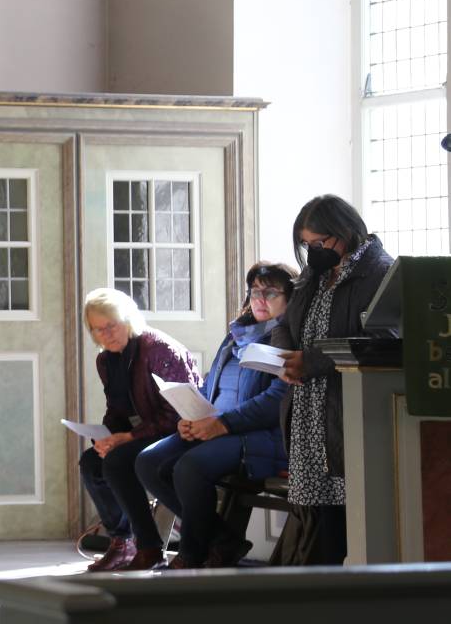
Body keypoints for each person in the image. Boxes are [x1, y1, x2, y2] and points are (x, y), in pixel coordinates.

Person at [134, 263, 296, 568]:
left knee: (190, 466)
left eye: (271, 292)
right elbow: (210, 385)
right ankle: (223, 539)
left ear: (290, 297)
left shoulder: (287, 338)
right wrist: (191, 415)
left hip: (259, 436)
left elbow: (276, 400)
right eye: (255, 291)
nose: (260, 299)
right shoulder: (236, 334)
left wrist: (222, 424)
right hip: (214, 425)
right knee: (149, 461)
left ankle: (192, 554)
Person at [273, 195, 393, 566]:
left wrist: (311, 361)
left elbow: (382, 339)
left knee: (341, 518)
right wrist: (284, 355)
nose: (314, 252)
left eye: (320, 243)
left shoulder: (379, 273)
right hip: (308, 411)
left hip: (345, 409)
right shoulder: (316, 274)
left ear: (346, 231)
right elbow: (283, 324)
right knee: (313, 515)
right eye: (307, 245)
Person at [80, 288, 201, 572]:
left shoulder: (157, 348)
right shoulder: (106, 360)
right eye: (98, 330)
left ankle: (149, 547)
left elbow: (177, 413)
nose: (106, 334)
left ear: (129, 319)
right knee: (91, 463)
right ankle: (122, 542)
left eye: (111, 325)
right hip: (148, 432)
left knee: (118, 462)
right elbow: (118, 409)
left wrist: (128, 437)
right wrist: (108, 436)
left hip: (183, 431)